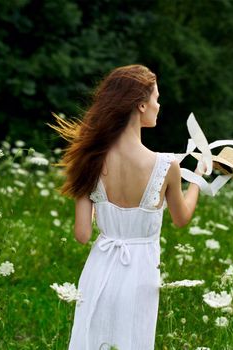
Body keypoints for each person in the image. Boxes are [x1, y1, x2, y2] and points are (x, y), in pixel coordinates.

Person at [49, 64, 204, 350]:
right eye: (156, 98)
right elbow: (181, 218)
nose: (159, 105)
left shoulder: (89, 159)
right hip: (141, 274)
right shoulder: (166, 165)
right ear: (141, 104)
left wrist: (107, 209)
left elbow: (82, 234)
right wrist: (198, 179)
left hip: (99, 270)